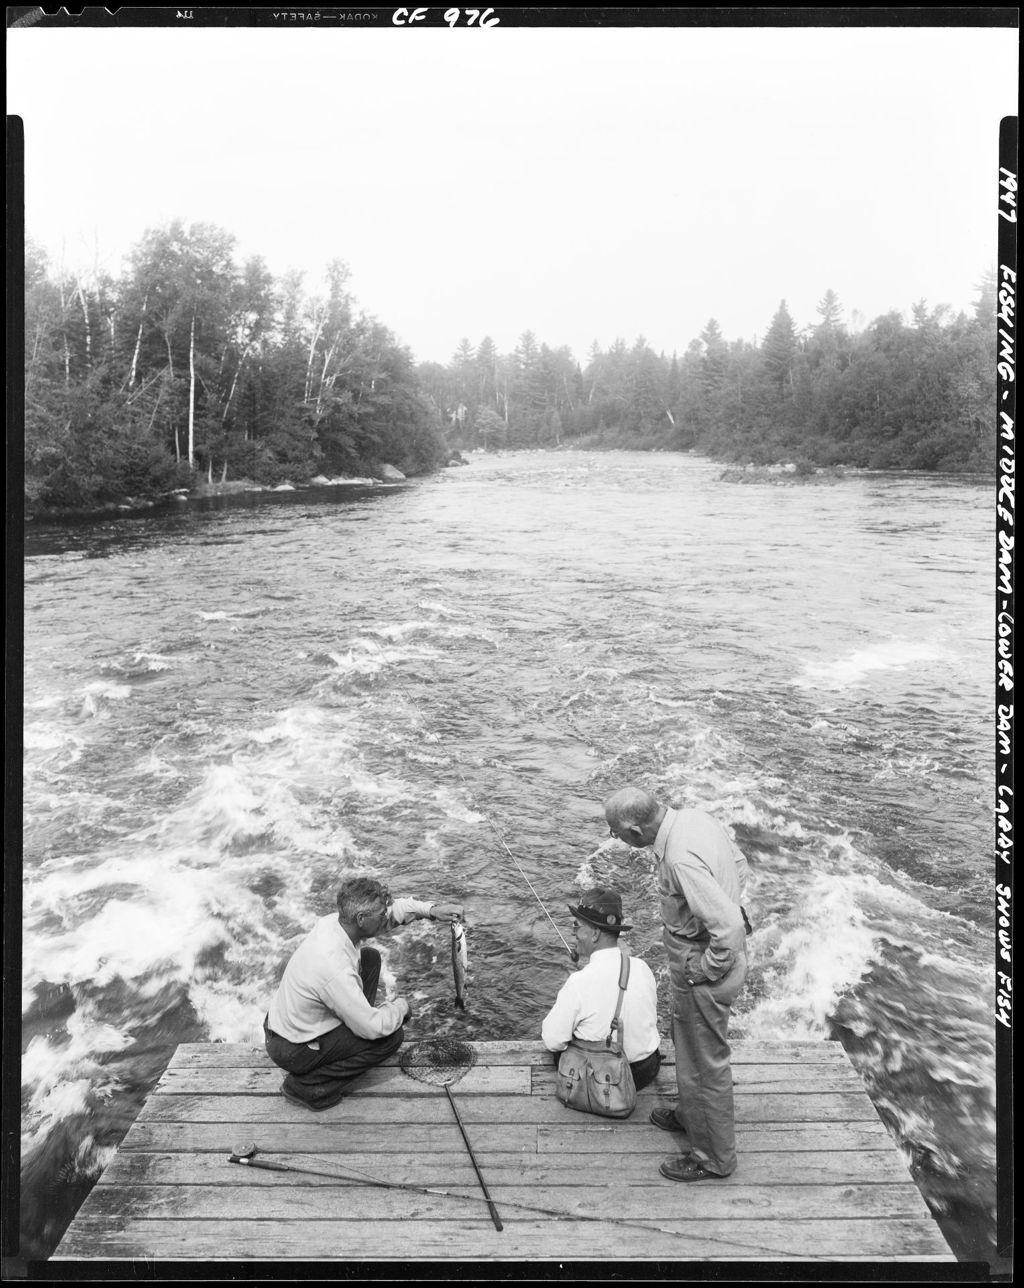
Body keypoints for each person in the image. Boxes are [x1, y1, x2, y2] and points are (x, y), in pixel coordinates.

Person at [604, 786, 750, 1182]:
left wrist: (707, 966)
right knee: (688, 1046)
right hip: (701, 954)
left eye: (617, 833)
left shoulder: (680, 857)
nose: (617, 840)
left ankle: (713, 1158)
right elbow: (740, 864)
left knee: (706, 1065)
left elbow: (730, 926)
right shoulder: (694, 819)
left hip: (704, 963)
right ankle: (693, 1116)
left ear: (635, 829)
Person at [264, 875, 463, 1111]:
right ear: (361, 919)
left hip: (287, 1025)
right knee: (390, 1038)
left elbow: (394, 911)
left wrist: (433, 910)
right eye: (381, 913)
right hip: (293, 1048)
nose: (386, 916)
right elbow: (374, 1027)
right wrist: (400, 1008)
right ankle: (306, 1086)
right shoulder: (333, 966)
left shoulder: (335, 923)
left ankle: (353, 1025)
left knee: (369, 959)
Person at [541, 887, 662, 1092]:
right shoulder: (642, 968)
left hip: (605, 1079)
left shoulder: (579, 982)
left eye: (577, 926)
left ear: (595, 934)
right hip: (644, 1072)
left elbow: (552, 1040)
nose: (573, 933)